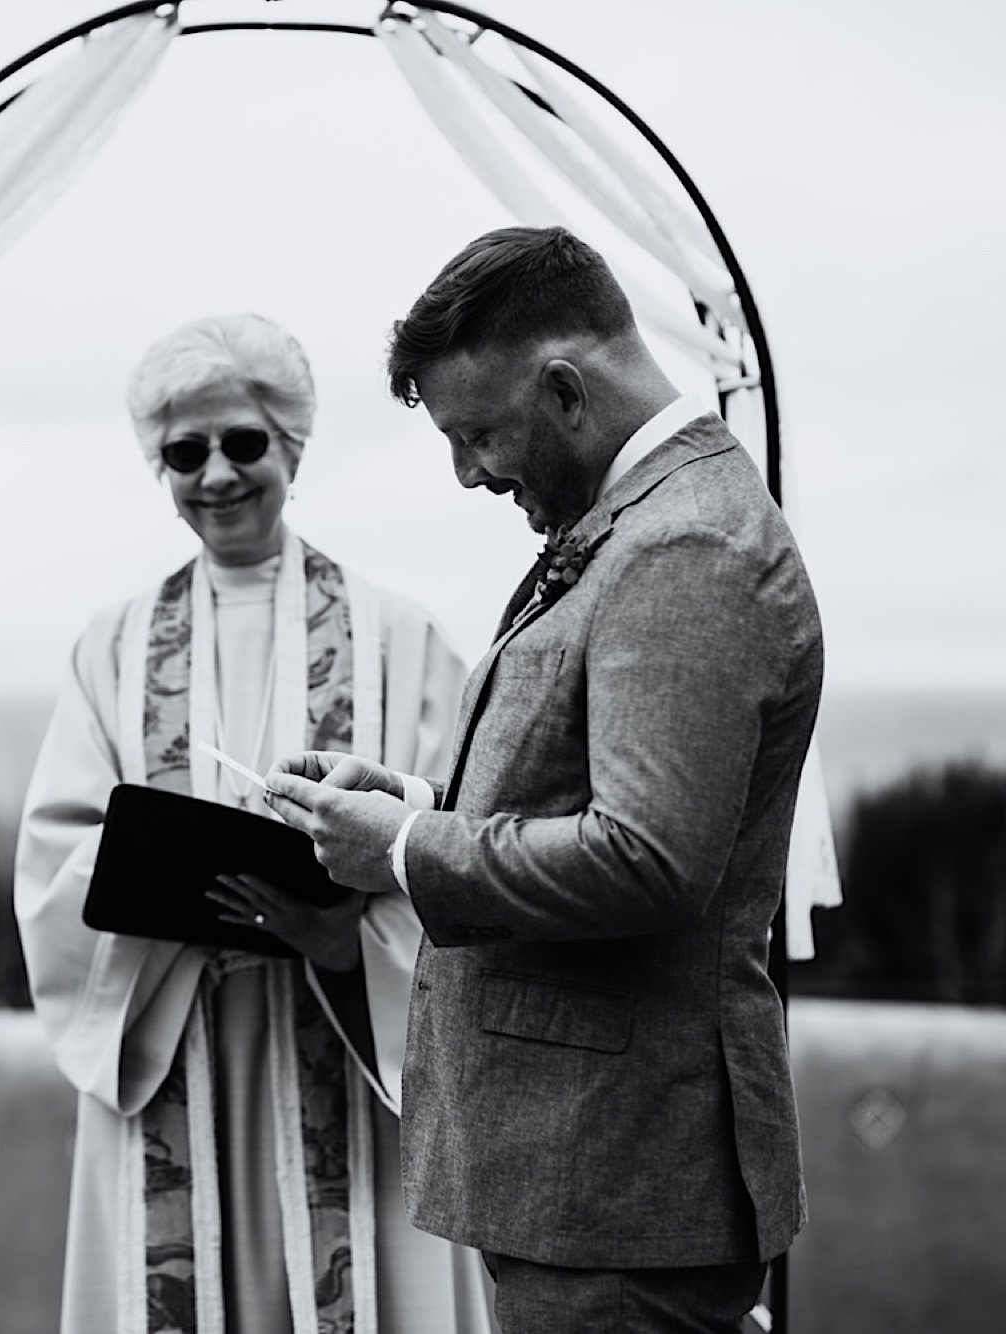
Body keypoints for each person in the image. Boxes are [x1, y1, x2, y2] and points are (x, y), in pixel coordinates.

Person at [262, 227, 821, 1333]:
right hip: (581, 1181)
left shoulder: (684, 549)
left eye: (477, 433)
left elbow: (648, 858)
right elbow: (591, 793)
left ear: (563, 387)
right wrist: (417, 802)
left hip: (617, 1182)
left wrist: (401, 853)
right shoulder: (639, 522)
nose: (470, 472)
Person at [16, 314, 493, 1334]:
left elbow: (466, 840)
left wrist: (345, 942)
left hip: (349, 1050)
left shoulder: (397, 635)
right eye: (184, 452)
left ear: (292, 447)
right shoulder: (108, 648)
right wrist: (162, 872)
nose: (216, 474)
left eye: (243, 443)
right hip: (173, 1033)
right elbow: (54, 859)